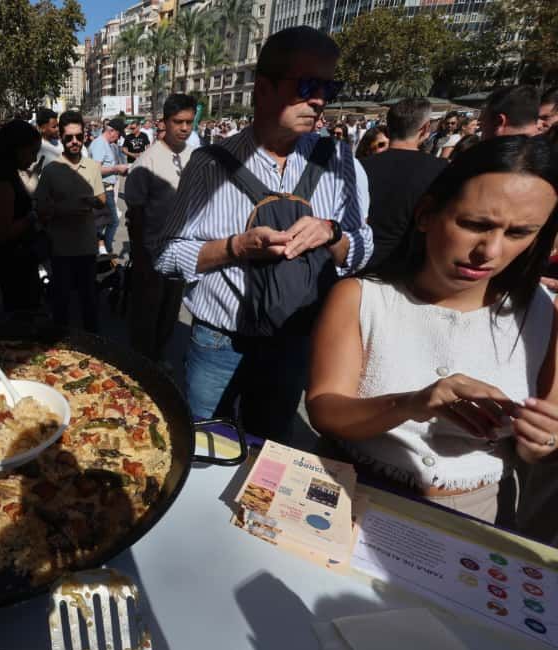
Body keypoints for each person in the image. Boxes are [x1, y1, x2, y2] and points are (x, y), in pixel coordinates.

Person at [307, 136, 558, 528]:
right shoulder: (363, 298)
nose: (490, 251)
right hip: (348, 493)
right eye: (475, 225)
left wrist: (540, 441)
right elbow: (325, 408)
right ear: (426, 214)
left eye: (519, 233)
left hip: (477, 516)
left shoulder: (542, 313)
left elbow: (543, 436)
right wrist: (413, 403)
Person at [154, 26, 373, 441]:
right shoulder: (208, 164)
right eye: (307, 85)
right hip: (218, 341)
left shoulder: (342, 161)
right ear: (264, 88)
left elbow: (362, 248)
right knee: (204, 443)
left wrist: (331, 232)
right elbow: (166, 254)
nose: (320, 100)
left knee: (270, 449)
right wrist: (236, 247)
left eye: (330, 86)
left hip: (294, 340)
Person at [125, 94, 196, 361]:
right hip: (152, 253)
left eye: (189, 122)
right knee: (147, 313)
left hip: (182, 251)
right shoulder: (147, 163)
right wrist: (141, 256)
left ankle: (158, 357)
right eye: (178, 122)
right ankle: (142, 366)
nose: (185, 128)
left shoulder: (194, 157)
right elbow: (135, 214)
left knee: (170, 311)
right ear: (163, 122)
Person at [36, 110, 106, 331]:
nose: (74, 142)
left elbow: (102, 199)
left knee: (89, 303)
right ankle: (60, 348)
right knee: (62, 304)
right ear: (62, 138)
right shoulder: (51, 170)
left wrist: (94, 202)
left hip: (87, 246)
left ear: (85, 136)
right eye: (69, 137)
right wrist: (61, 210)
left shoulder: (93, 167)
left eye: (78, 136)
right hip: (61, 249)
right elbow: (40, 210)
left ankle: (95, 349)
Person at [360, 97, 447, 273]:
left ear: (389, 127)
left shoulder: (360, 166)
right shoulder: (441, 170)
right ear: (425, 128)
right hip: (409, 270)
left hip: (359, 264)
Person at [0, 120, 43, 317]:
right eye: (32, 152)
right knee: (22, 319)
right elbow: (3, 232)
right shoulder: (3, 182)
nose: (34, 158)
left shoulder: (8, 176)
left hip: (19, 262)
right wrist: (33, 216)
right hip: (15, 267)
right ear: (16, 149)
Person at [88, 119, 129, 255]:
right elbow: (96, 169)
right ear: (111, 131)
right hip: (102, 188)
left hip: (107, 188)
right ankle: (105, 250)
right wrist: (116, 168)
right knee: (113, 221)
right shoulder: (100, 144)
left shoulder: (106, 144)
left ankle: (101, 249)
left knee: (104, 222)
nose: (118, 138)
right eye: (118, 134)